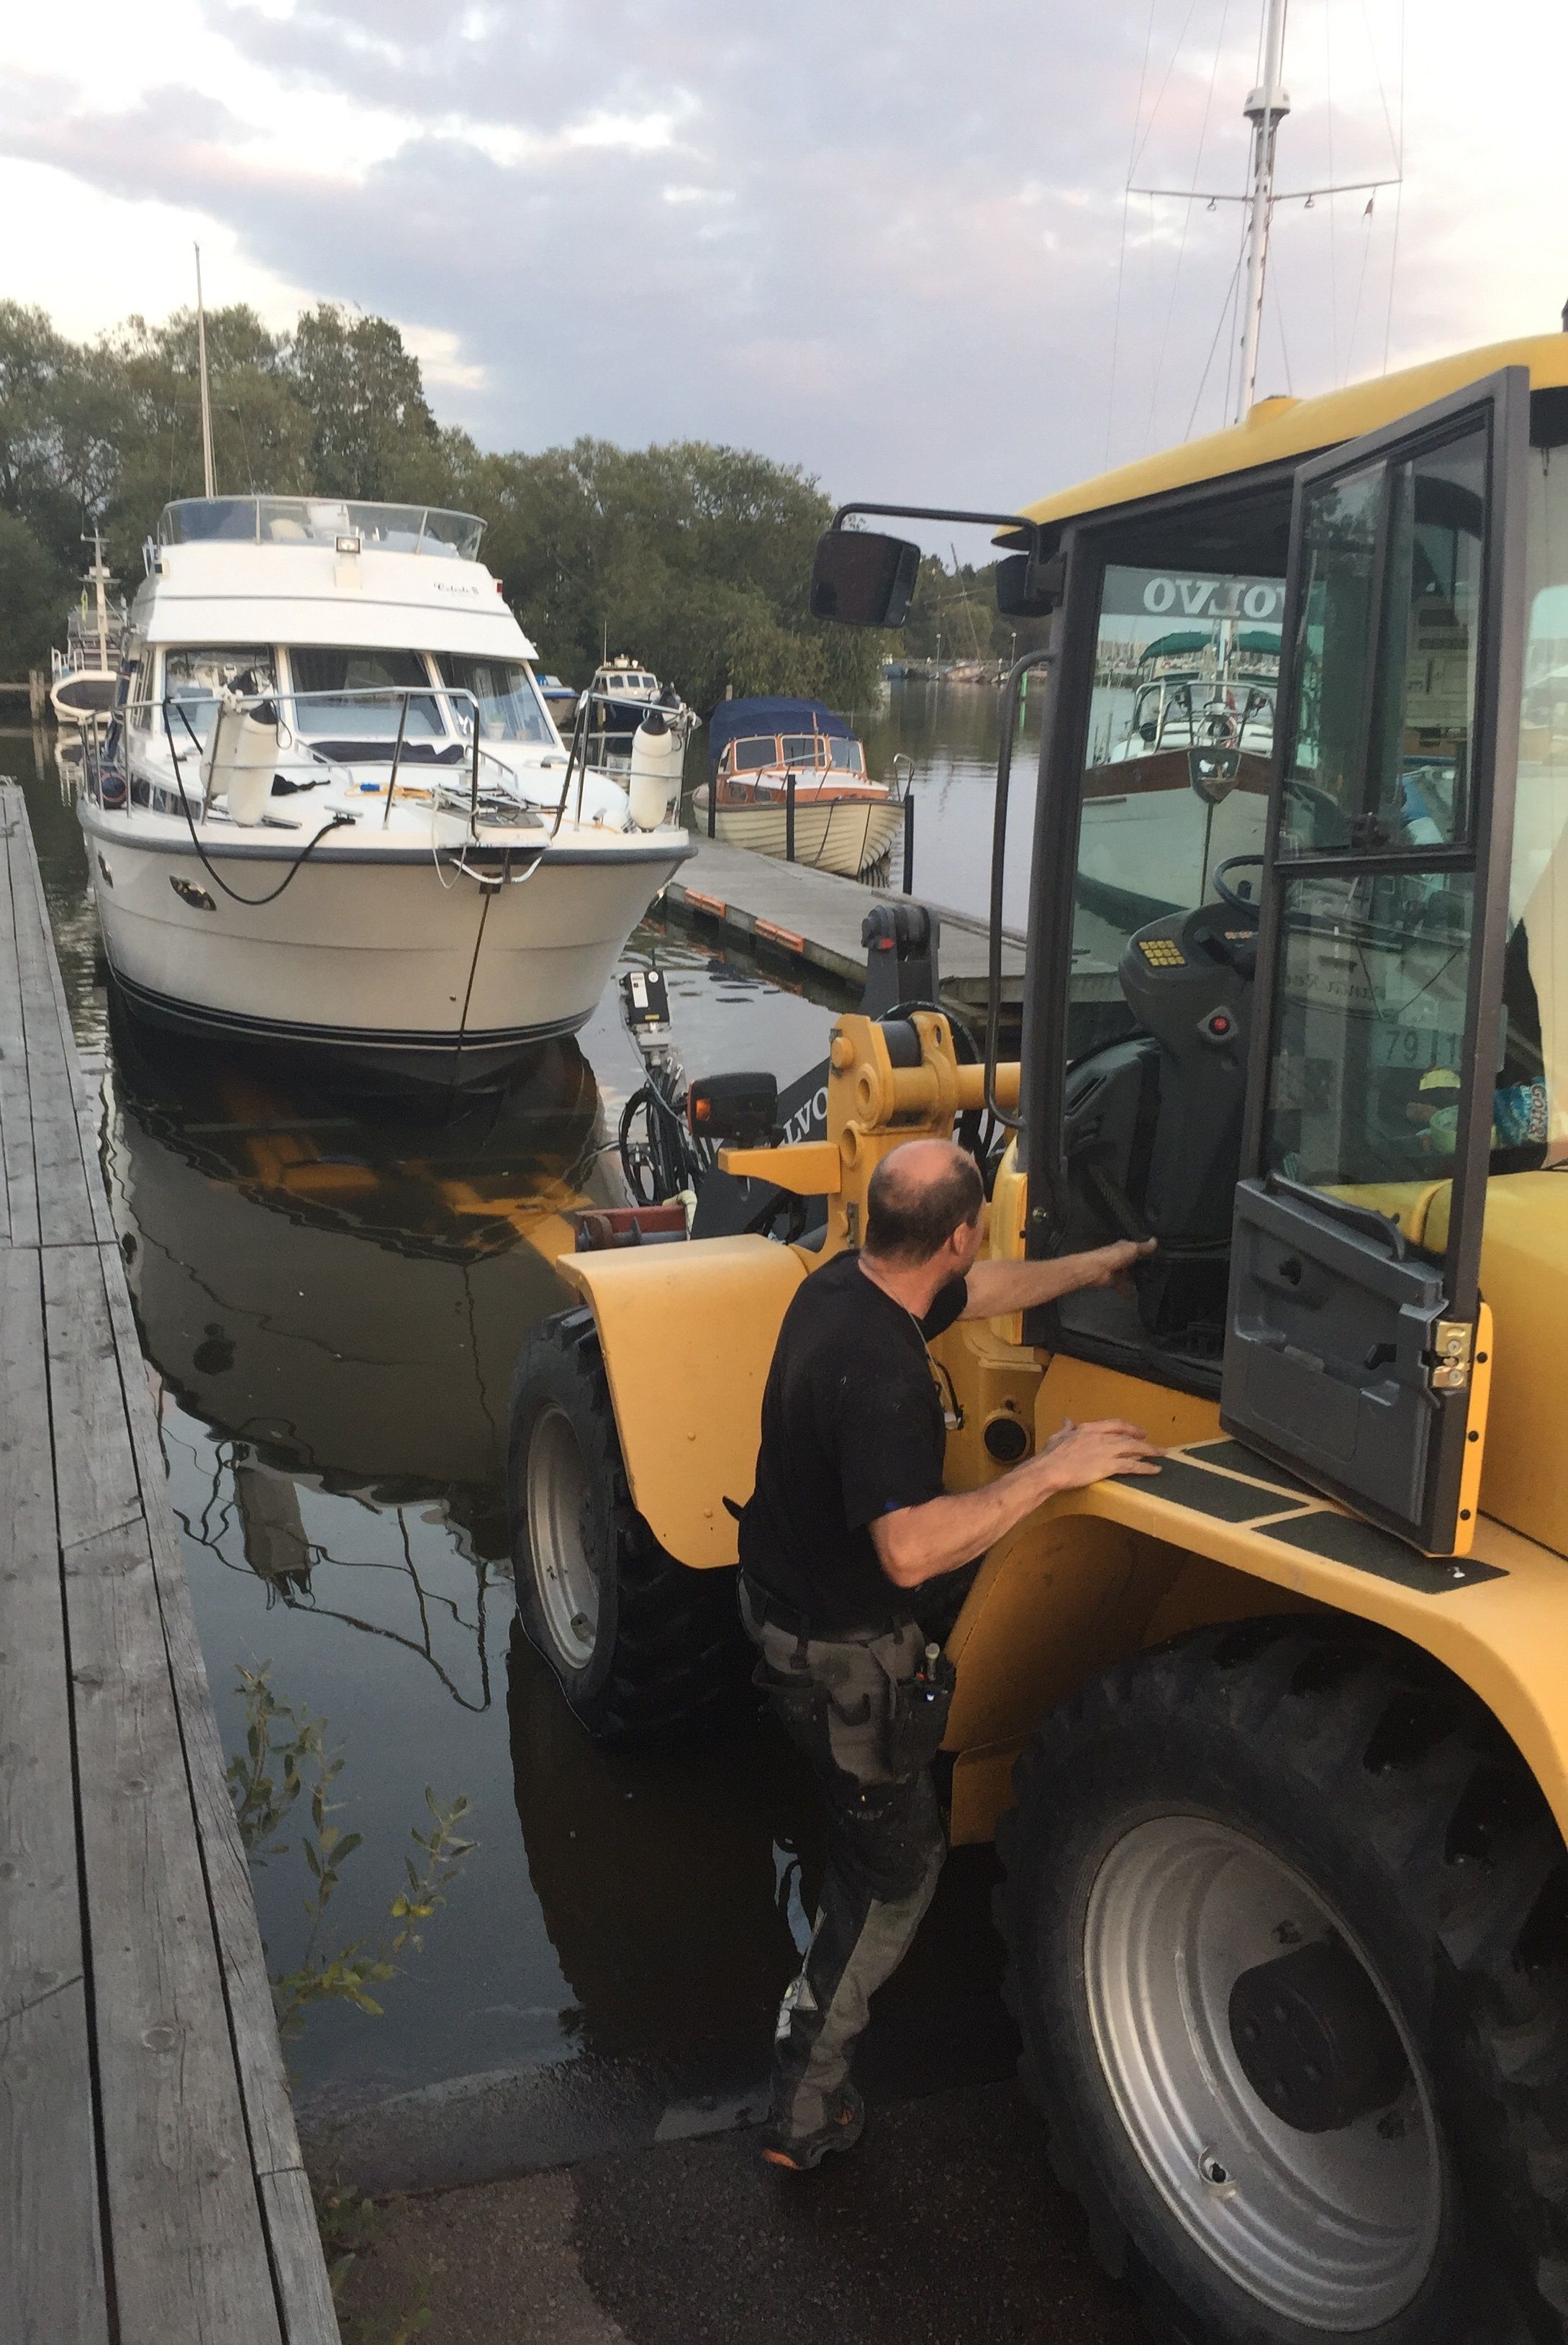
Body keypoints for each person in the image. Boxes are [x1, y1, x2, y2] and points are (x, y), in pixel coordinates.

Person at [738, 1136, 1164, 2173]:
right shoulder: (883, 1373)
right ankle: (803, 2103)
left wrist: (1096, 1265)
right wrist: (1052, 1472)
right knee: (894, 1874)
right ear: (960, 1230)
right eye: (975, 1242)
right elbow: (909, 1549)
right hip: (838, 1656)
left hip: (784, 1597)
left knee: (866, 1831)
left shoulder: (849, 1285)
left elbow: (975, 1295)